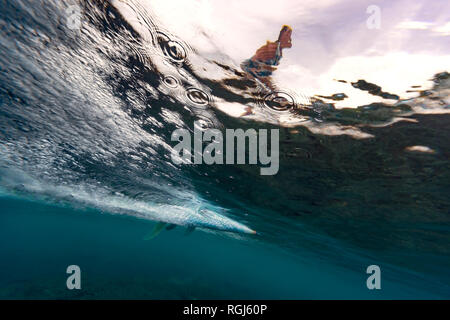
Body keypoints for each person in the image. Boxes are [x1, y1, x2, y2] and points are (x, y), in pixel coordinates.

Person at [240, 25, 293, 115]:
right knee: (256, 90)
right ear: (282, 36)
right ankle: (249, 109)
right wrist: (252, 71)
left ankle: (251, 109)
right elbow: (251, 62)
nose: (290, 39)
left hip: (259, 74)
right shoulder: (272, 49)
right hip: (253, 73)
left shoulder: (278, 51)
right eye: (288, 35)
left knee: (268, 88)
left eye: (290, 35)